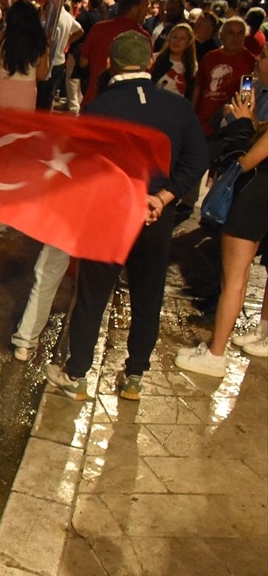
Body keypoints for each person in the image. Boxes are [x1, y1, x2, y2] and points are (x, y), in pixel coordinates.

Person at [46, 32, 208, 401]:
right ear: (151, 62)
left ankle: (77, 375)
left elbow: (84, 169)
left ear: (110, 65)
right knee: (147, 296)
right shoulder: (178, 106)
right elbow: (197, 160)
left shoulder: (98, 109)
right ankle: (134, 377)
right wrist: (162, 197)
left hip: (109, 216)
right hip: (156, 217)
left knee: (92, 295)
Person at [176, 105, 268, 372]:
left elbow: (245, 161)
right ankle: (218, 348)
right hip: (260, 205)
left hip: (253, 203)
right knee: (238, 279)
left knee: (233, 281)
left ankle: (216, 355)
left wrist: (242, 126)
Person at [77, 0, 151, 105]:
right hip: (126, 103)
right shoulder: (142, 37)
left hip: (94, 98)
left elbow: (83, 62)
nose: (148, 11)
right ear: (134, 9)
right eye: (146, 6)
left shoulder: (99, 28)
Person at [0, 0, 49, 111]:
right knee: (20, 126)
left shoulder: (0, 37)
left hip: (0, 91)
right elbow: (42, 75)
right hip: (26, 93)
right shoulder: (40, 40)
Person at [195, 17, 256, 137]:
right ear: (221, 35)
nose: (235, 37)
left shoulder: (251, 62)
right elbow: (198, 85)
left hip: (225, 126)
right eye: (230, 32)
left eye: (240, 33)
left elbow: (246, 96)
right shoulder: (209, 57)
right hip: (200, 122)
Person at [150, 23, 197, 99]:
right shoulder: (155, 59)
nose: (177, 41)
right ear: (169, 38)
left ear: (188, 43)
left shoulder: (192, 67)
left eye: (182, 38)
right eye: (174, 37)